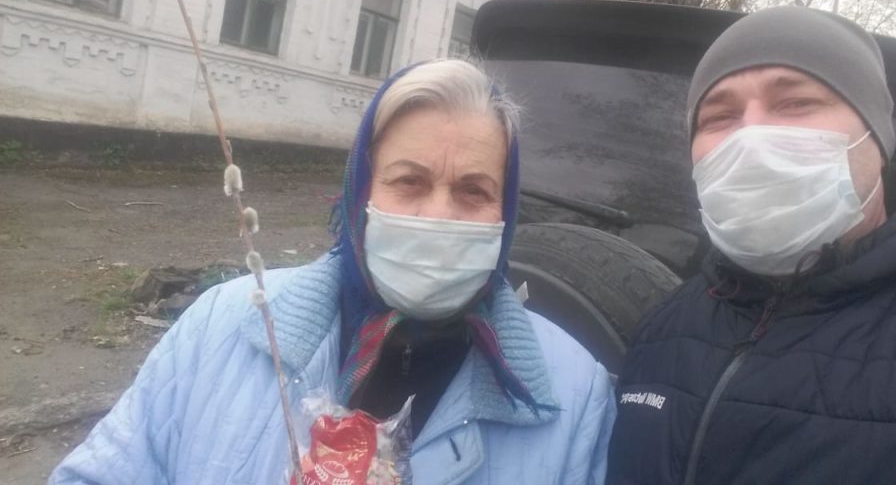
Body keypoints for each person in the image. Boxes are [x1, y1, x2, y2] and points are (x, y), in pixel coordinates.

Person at [51, 59, 615, 484]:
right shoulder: (220, 327)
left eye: (473, 190)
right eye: (409, 181)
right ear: (359, 195)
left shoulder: (573, 394)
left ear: (505, 213)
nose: (438, 214)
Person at [607, 7, 896, 484]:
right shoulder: (664, 329)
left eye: (795, 103)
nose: (751, 136)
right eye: (719, 116)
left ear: (876, 138)